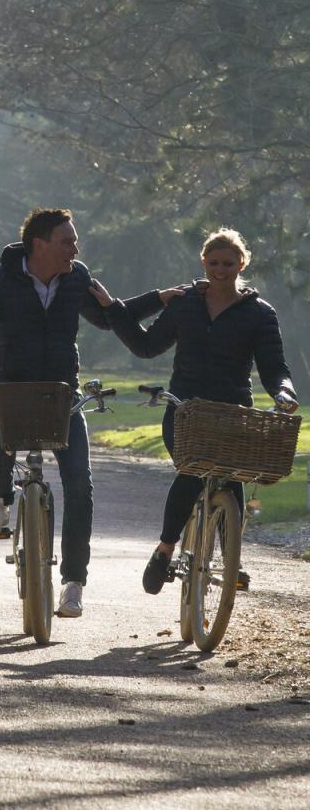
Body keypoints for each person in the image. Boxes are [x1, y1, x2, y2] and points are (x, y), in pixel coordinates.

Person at [0, 207, 180, 618]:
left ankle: (73, 583)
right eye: (67, 241)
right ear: (39, 244)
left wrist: (159, 299)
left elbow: (111, 316)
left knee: (81, 485)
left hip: (63, 392)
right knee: (0, 410)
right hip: (14, 386)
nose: (75, 248)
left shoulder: (76, 276)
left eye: (74, 241)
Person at [90, 227, 298, 594]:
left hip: (233, 410)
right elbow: (145, 346)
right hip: (185, 409)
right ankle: (165, 548)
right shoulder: (184, 304)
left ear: (242, 264)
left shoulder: (260, 313)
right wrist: (114, 310)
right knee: (191, 471)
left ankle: (232, 557)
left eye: (228, 264)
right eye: (214, 263)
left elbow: (273, 367)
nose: (220, 270)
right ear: (203, 262)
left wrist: (284, 392)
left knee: (232, 475)